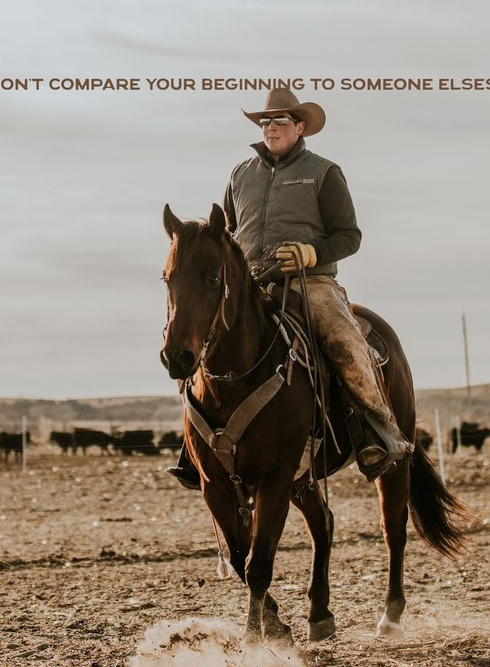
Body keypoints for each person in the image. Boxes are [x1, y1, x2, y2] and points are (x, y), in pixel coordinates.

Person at [167, 87, 409, 488]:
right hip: (250, 286)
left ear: (300, 127)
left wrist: (310, 254)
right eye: (265, 121)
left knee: (343, 341)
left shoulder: (324, 172)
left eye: (280, 121)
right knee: (197, 341)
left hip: (309, 282)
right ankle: (196, 448)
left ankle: (377, 432)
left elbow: (349, 236)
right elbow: (225, 234)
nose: (271, 127)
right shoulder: (240, 174)